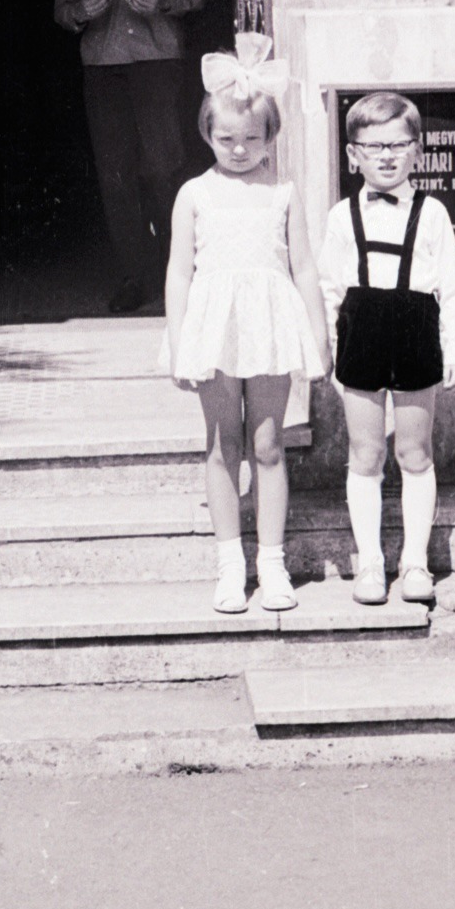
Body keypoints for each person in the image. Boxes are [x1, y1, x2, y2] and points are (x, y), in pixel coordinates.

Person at [164, 35, 331, 615]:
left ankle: (272, 561)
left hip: (267, 326)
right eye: (226, 139)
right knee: (220, 444)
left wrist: (319, 337)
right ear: (208, 134)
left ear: (271, 139)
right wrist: (180, 340)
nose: (238, 150)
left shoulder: (283, 194)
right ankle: (229, 563)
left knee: (267, 444)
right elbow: (179, 274)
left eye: (251, 139)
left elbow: (305, 268)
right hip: (213, 328)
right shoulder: (194, 194)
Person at [319, 92, 455, 606]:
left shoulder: (433, 213)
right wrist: (325, 347)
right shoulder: (342, 216)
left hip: (415, 332)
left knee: (413, 451)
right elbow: (327, 289)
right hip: (361, 333)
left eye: (398, 145)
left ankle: (414, 561)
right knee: (365, 453)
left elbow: (452, 285)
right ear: (352, 154)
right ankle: (370, 564)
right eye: (373, 145)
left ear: (418, 151)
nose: (385, 156)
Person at [54, 0, 208, 313]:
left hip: (158, 60)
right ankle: (133, 276)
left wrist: (165, 1)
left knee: (164, 169)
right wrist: (83, 9)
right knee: (116, 174)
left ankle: (173, 272)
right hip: (103, 65)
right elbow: (60, 10)